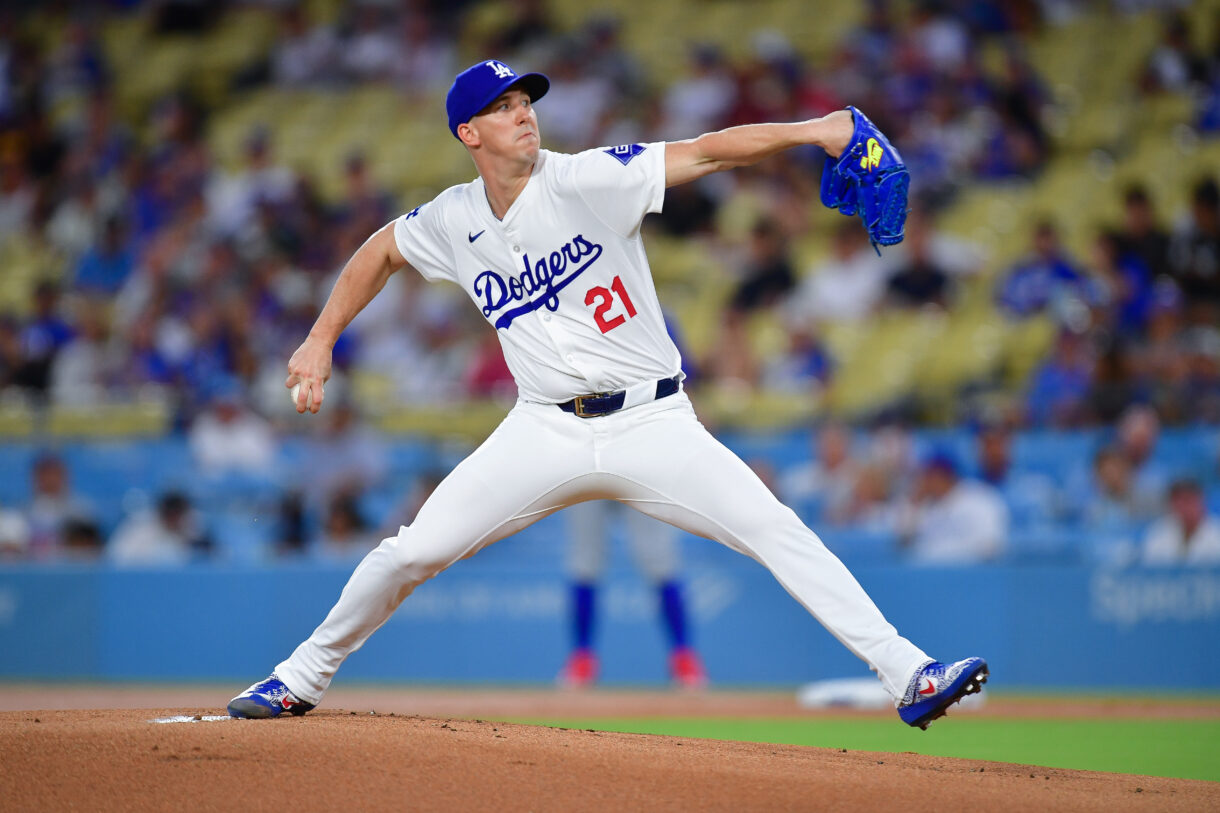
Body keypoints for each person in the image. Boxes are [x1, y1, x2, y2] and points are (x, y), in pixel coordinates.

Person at [227, 59, 986, 728]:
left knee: (775, 527)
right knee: (411, 551)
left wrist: (819, 129)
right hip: (542, 430)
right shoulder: (454, 219)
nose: (523, 113)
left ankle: (907, 672)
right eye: (502, 107)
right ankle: (299, 678)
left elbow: (707, 151)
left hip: (652, 420)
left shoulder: (588, 178)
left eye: (526, 101)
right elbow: (381, 250)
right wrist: (321, 335)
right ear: (469, 134)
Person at [558, 500, 707, 689]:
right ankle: (581, 660)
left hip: (636, 472)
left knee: (660, 560)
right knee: (584, 562)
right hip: (586, 474)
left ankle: (684, 659)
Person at [1141, 478, 1220, 567]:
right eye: (1179, 501)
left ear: (1201, 500)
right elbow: (1151, 567)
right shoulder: (1158, 531)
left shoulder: (1216, 532)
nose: (1185, 507)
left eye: (1189, 500)